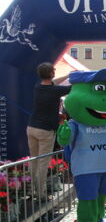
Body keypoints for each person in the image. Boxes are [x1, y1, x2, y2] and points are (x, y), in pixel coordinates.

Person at [27, 62, 70, 199]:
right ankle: (40, 194)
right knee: (43, 162)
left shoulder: (38, 87)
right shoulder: (55, 90)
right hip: (45, 130)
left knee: (33, 160)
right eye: (54, 70)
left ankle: (29, 189)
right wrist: (76, 77)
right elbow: (72, 88)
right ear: (51, 73)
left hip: (32, 127)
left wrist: (67, 75)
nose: (55, 71)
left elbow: (53, 82)